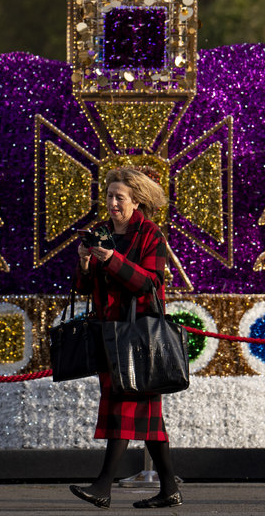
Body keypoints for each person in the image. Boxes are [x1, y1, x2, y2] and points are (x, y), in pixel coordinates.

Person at [70, 167, 181, 510]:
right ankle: (169, 489)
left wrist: (113, 261)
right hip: (109, 333)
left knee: (124, 407)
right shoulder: (100, 233)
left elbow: (150, 282)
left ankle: (103, 486)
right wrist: (86, 266)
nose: (113, 203)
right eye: (109, 196)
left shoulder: (150, 235)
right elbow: (84, 288)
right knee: (149, 420)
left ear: (136, 201)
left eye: (120, 197)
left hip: (139, 336)